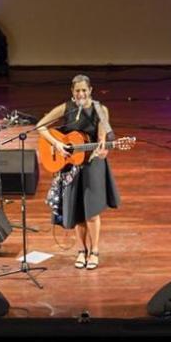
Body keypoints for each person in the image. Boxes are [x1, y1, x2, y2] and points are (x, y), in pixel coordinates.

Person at [35, 74, 121, 269]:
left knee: (92, 211)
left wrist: (103, 147)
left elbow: (103, 136)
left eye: (84, 90)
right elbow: (40, 126)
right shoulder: (66, 108)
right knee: (78, 212)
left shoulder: (100, 109)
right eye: (77, 90)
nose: (81, 94)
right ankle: (81, 251)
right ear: (72, 92)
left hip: (93, 164)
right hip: (71, 165)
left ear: (90, 90)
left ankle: (95, 251)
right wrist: (57, 143)